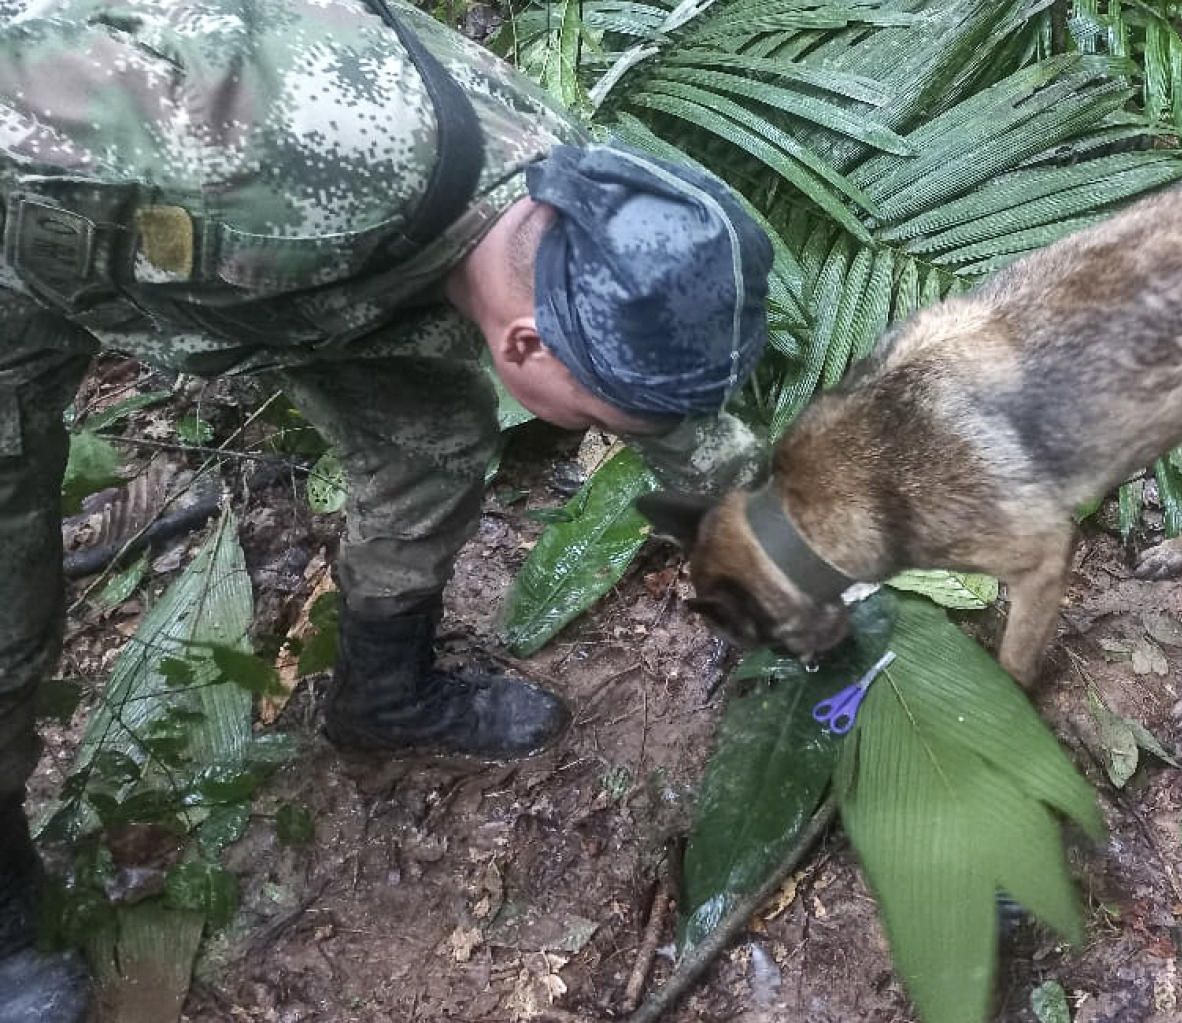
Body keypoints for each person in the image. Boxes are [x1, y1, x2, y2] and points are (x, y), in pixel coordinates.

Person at [0, 0, 774, 1017]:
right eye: (602, 421)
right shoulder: (252, 155)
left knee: (431, 444)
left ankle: (382, 695)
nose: (617, 435)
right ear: (527, 349)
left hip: (299, 280)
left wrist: (775, 549)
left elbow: (662, 410)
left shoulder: (575, 212)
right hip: (31, 235)